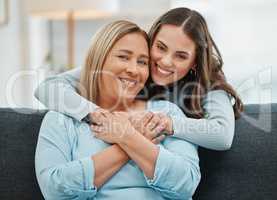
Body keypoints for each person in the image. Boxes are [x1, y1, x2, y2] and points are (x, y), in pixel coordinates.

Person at [35, 7, 243, 150]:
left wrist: (164, 123)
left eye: (181, 56)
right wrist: (98, 115)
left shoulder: (210, 84)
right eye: (160, 47)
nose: (165, 61)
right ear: (151, 41)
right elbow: (47, 88)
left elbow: (222, 135)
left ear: (195, 63)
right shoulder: (135, 70)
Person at [35, 20, 200, 200]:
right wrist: (132, 140)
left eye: (143, 62)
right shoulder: (62, 118)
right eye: (123, 57)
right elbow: (54, 190)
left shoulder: (166, 113)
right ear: (99, 60)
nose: (133, 70)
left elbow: (186, 184)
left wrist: (127, 136)